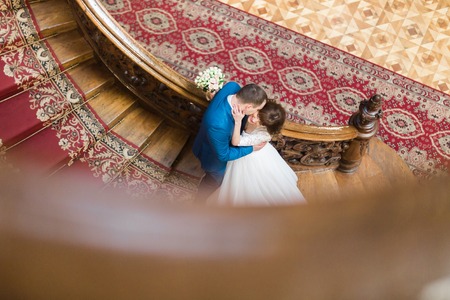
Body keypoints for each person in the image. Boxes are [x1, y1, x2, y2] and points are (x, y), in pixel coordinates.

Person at [208, 100, 306, 206]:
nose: (254, 119)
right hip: (255, 154)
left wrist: (238, 121)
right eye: (258, 115)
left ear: (265, 126)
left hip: (249, 158)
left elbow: (236, 142)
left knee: (243, 187)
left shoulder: (262, 136)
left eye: (260, 121)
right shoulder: (253, 111)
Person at [192, 82, 267, 199]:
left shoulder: (233, 87)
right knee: (213, 182)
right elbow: (223, 155)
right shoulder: (219, 125)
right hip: (214, 160)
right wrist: (252, 148)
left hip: (213, 138)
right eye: (257, 109)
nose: (257, 113)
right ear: (248, 107)